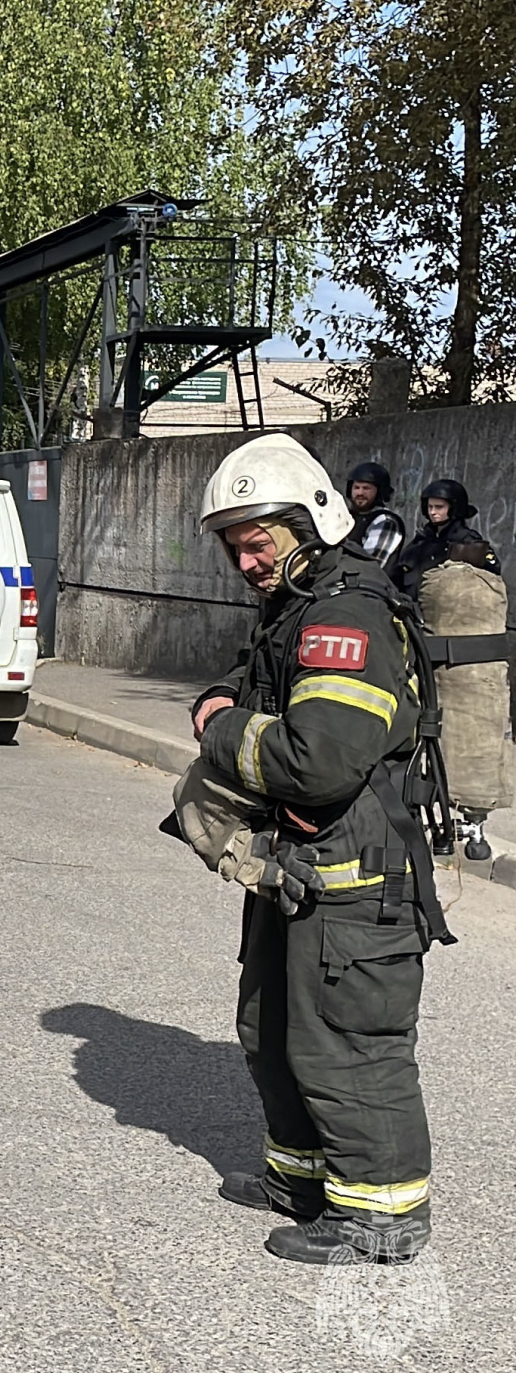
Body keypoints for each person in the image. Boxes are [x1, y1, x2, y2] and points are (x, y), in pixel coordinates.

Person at [186, 431, 445, 1263]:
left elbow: (317, 760)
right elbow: (236, 685)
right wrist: (225, 706)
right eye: (235, 548)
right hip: (298, 867)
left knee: (348, 1043)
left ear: (308, 522)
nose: (246, 561)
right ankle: (301, 1181)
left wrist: (220, 730)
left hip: (359, 876)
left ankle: (382, 1214)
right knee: (271, 1026)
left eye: (257, 542)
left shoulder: (347, 617)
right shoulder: (293, 610)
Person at [396, 477, 501, 601]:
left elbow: (488, 575)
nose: (433, 512)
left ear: (454, 508)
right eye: (430, 507)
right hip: (412, 607)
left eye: (439, 507)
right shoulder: (422, 539)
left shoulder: (467, 541)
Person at [343, 462, 407, 575]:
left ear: (379, 491)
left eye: (366, 488)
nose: (360, 493)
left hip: (370, 587)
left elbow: (371, 565)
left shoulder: (385, 521)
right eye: (356, 487)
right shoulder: (347, 517)